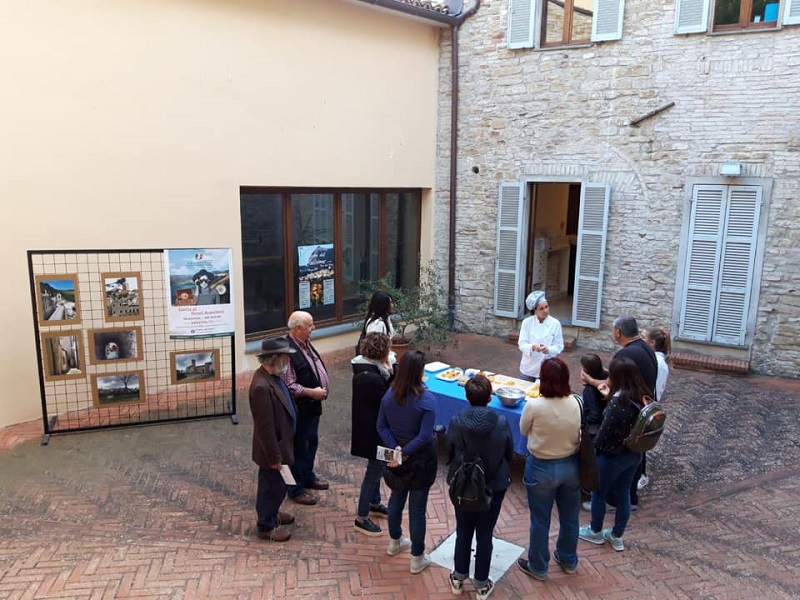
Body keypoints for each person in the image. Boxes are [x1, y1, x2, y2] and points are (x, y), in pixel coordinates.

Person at [446, 374, 513, 599]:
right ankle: (482, 583)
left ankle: (458, 577)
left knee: (463, 531)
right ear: (490, 396)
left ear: (467, 396)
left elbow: (449, 450)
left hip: (463, 484)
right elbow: (509, 452)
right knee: (485, 534)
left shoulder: (456, 420)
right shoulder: (501, 422)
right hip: (493, 485)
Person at [582, 315, 657, 510]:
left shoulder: (625, 354)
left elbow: (610, 386)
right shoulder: (646, 348)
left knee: (614, 460)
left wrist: (591, 381)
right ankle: (629, 499)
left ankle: (609, 501)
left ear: (618, 332)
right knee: (634, 459)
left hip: (627, 414)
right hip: (642, 410)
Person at [516, 357, 582, 581]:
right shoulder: (576, 402)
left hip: (541, 467)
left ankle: (538, 566)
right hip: (570, 466)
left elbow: (523, 430)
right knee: (570, 517)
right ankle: (568, 559)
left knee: (540, 520)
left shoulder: (534, 405)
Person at [377, 350, 438, 574]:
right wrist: (404, 453)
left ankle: (394, 541)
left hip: (395, 459)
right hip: (420, 460)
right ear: (419, 372)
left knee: (396, 497)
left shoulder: (389, 395)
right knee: (417, 509)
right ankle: (417, 557)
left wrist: (395, 451)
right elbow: (424, 435)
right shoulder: (427, 399)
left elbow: (381, 426)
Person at [579, 357, 648, 552]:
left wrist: (591, 450)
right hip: (634, 455)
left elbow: (604, 433)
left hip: (612, 456)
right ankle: (617, 536)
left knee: (598, 493)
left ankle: (595, 531)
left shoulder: (617, 404)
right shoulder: (640, 396)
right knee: (623, 494)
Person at [249, 338, 298, 542]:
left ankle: (273, 513)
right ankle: (266, 526)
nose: (288, 361)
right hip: (273, 450)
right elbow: (265, 429)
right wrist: (274, 458)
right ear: (274, 358)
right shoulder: (261, 387)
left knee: (278, 487)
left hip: (282, 445)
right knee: (270, 488)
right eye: (285, 356)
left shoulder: (273, 376)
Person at [283, 311, 330, 506]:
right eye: (310, 325)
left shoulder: (304, 343)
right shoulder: (288, 351)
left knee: (311, 442)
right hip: (301, 409)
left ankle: (308, 476)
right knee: (299, 448)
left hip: (312, 407)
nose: (314, 328)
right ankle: (296, 489)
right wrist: (312, 392)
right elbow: (290, 385)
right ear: (298, 328)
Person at [350, 332, 394, 536]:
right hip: (376, 436)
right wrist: (391, 373)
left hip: (372, 432)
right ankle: (361, 517)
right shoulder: (371, 378)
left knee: (378, 468)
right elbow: (388, 400)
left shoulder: (366, 370)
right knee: (374, 472)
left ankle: (375, 503)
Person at [637, 327, 672, 490]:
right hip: (647, 402)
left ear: (652, 342)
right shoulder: (654, 360)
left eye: (644, 338)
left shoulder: (658, 364)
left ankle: (642, 475)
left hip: (647, 404)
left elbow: (654, 388)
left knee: (640, 440)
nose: (641, 340)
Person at [517, 290, 564, 382]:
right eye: (541, 309)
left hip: (548, 368)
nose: (545, 311)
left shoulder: (555, 324)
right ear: (534, 310)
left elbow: (559, 346)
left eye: (546, 307)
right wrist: (533, 347)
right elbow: (522, 344)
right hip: (529, 368)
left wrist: (548, 350)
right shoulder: (527, 323)